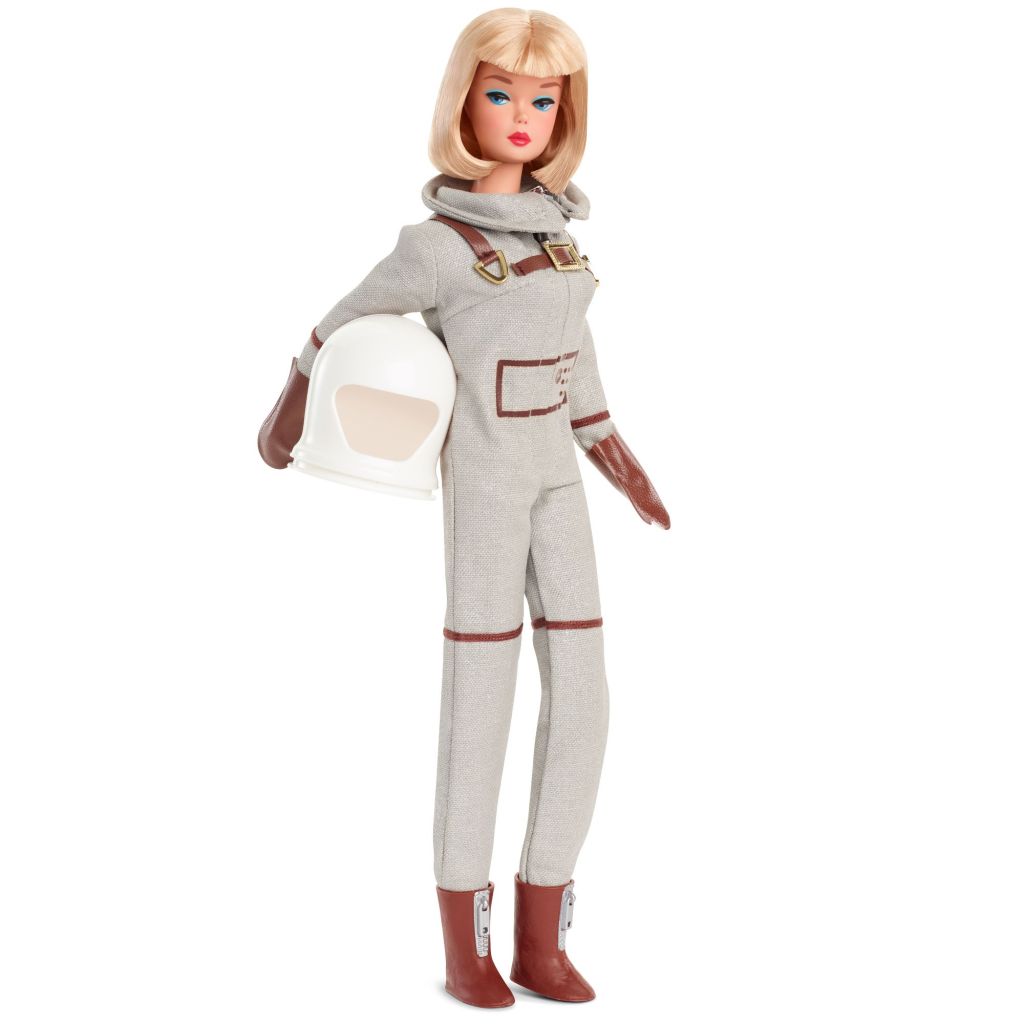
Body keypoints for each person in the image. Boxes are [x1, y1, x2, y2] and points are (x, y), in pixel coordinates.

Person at [258, 8, 669, 1007]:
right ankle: (464, 943)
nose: (522, 116)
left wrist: (618, 457)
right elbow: (344, 317)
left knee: (585, 697)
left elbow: (577, 364)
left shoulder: (562, 243)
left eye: (543, 99)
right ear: (464, 104)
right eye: (500, 93)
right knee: (479, 704)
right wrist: (291, 405)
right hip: (484, 488)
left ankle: (543, 934)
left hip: (560, 484)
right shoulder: (438, 248)